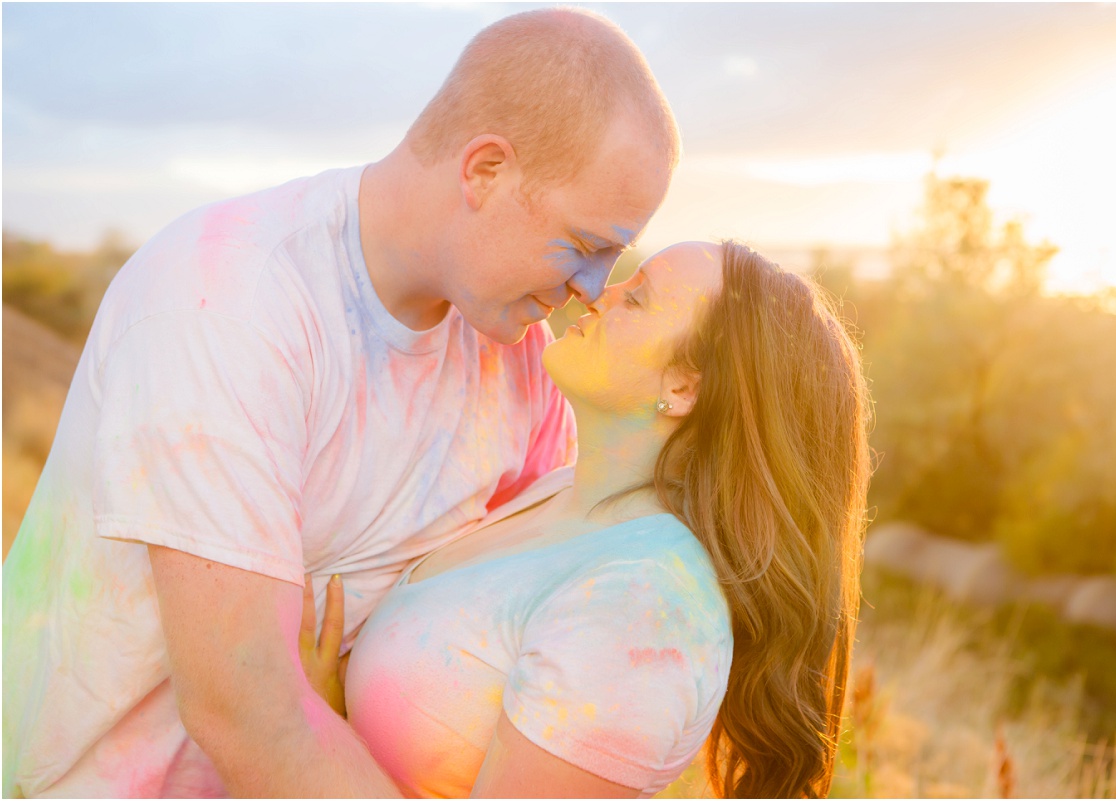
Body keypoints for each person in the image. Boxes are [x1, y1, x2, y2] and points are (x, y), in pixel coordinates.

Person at [2, 8, 678, 798]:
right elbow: (246, 711)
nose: (591, 290)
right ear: (485, 170)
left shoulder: (524, 365)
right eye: (585, 246)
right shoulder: (227, 299)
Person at [302, 241, 873, 797]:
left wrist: (311, 725)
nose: (598, 293)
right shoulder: (561, 493)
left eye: (636, 298)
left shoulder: (643, 604)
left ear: (683, 386)